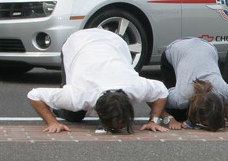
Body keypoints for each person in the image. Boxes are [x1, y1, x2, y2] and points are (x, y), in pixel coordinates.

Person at [27, 29, 169, 133]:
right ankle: (59, 104)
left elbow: (161, 90)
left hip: (115, 41)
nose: (118, 130)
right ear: (99, 113)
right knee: (74, 115)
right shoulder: (78, 96)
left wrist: (153, 120)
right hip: (77, 42)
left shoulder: (136, 87)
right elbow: (34, 95)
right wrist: (52, 122)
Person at [160, 37, 228, 131]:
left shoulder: (224, 91)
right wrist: (170, 119)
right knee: (177, 113)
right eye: (202, 125)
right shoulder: (181, 98)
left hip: (208, 48)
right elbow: (156, 98)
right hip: (177, 48)